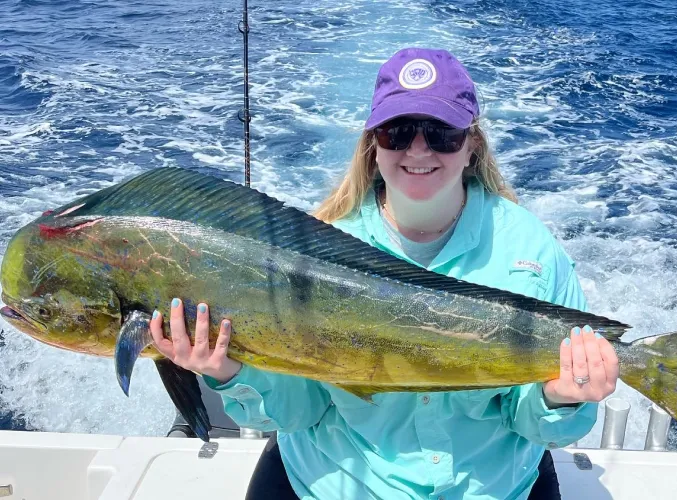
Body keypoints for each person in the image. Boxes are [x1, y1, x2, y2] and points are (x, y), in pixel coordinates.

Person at [149, 47, 619, 500]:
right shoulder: (315, 254)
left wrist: (561, 396)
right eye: (398, 131)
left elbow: (533, 425)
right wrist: (226, 371)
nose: (418, 149)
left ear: (471, 144)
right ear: (373, 143)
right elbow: (301, 409)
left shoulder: (530, 251)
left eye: (441, 133)